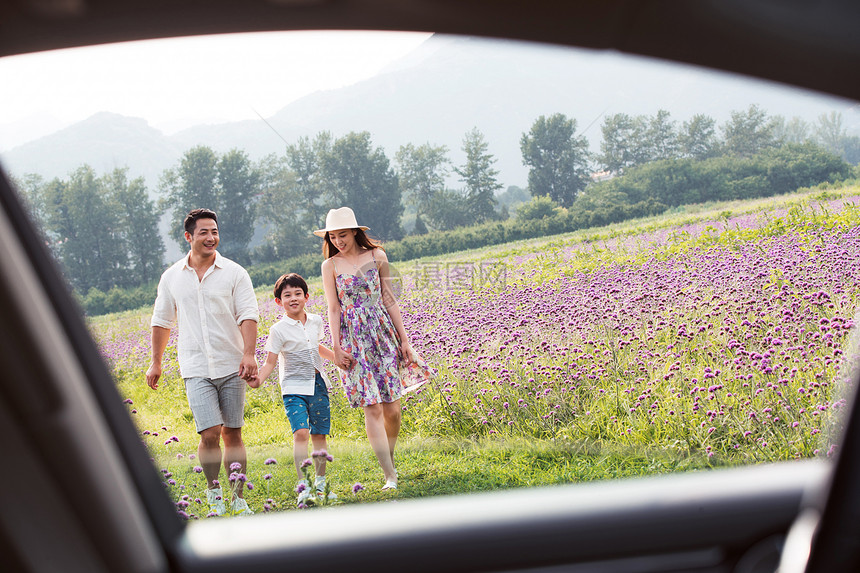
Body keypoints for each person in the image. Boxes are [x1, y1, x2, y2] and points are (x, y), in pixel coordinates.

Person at [146, 208, 259, 517]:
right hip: (195, 367)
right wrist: (156, 362)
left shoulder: (235, 272)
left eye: (214, 232)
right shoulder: (172, 277)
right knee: (209, 433)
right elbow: (161, 320)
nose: (211, 238)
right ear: (188, 237)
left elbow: (248, 314)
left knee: (232, 433)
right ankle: (214, 494)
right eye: (204, 233)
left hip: (231, 364)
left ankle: (238, 497)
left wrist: (249, 354)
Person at [317, 207, 432, 490]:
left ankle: (388, 458)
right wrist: (336, 346)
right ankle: (389, 475)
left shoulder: (377, 256)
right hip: (352, 340)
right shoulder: (329, 266)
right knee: (373, 407)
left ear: (356, 232)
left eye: (342, 235)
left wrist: (405, 341)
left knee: (392, 409)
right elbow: (333, 308)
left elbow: (389, 299)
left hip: (382, 334)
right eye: (333, 236)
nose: (338, 241)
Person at [248, 273, 337, 506]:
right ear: (279, 301)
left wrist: (337, 358)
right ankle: (304, 486)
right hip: (293, 387)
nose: (293, 298)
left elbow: (317, 347)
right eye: (287, 295)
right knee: (301, 433)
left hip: (317, 384)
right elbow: (270, 361)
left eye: (298, 293)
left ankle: (320, 482)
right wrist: (258, 380)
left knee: (319, 434)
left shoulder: (316, 321)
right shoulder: (278, 329)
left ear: (306, 297)